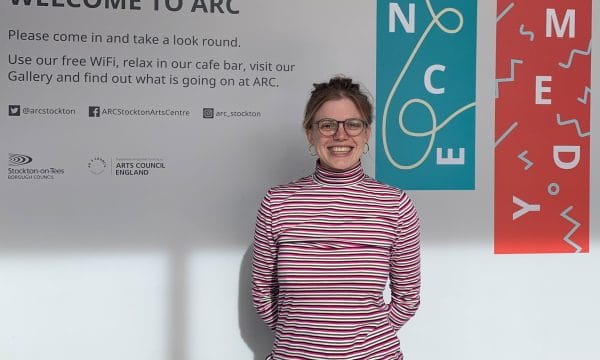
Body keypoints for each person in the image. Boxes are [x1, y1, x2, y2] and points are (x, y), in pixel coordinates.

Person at [252, 76, 421, 359]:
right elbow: (262, 295)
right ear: (310, 134)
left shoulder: (395, 205)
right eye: (327, 125)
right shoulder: (277, 204)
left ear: (367, 133)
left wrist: (364, 342)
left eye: (353, 124)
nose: (340, 135)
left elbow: (407, 298)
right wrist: (305, 341)